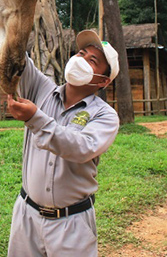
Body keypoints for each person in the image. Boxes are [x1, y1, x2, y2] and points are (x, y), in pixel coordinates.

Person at [6, 29, 120, 257]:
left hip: (72, 224)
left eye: (92, 60)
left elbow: (81, 148)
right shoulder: (42, 89)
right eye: (81, 53)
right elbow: (16, 56)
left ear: (104, 81)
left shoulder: (105, 116)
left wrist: (34, 118)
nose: (81, 60)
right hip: (26, 216)